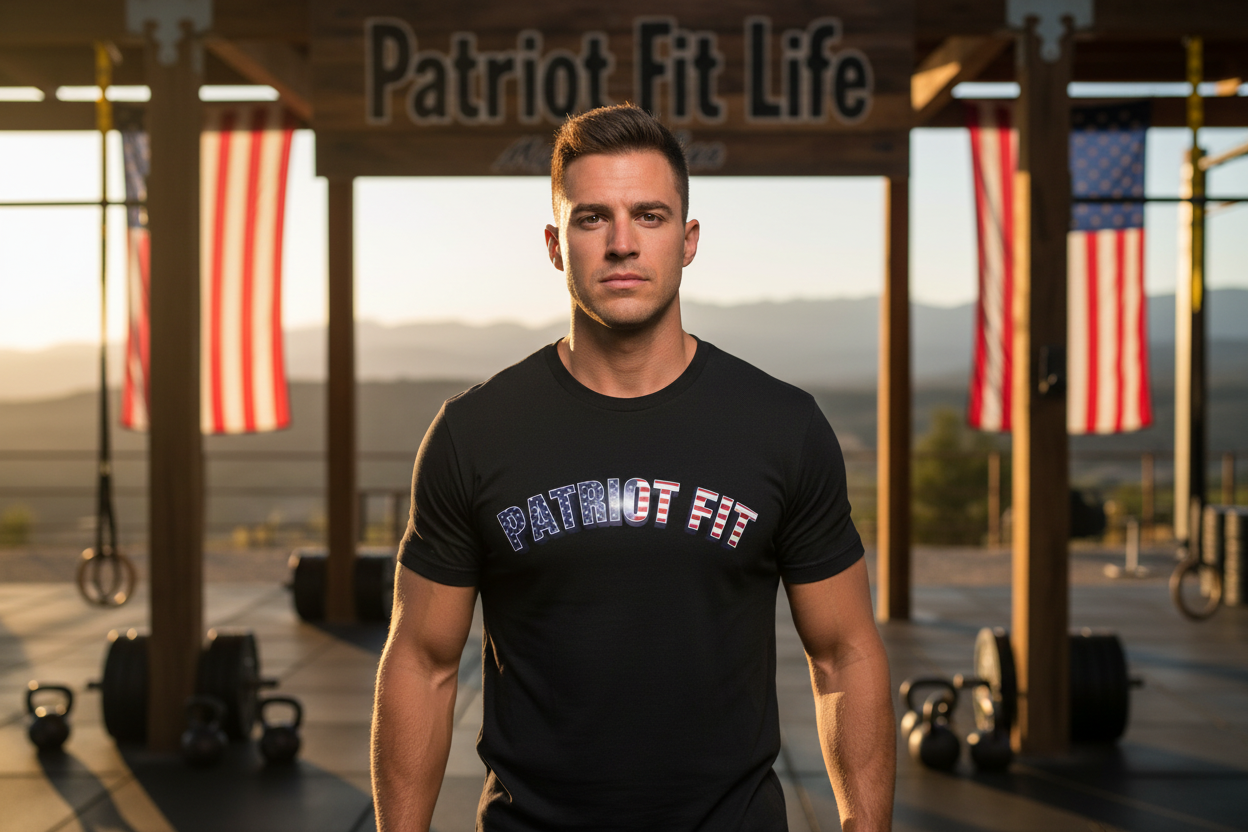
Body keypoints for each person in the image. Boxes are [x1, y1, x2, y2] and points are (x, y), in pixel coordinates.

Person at [372, 104, 895, 832]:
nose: (622, 243)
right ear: (556, 246)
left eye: (648, 216)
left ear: (687, 241)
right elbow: (422, 663)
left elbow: (845, 655)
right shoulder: (475, 433)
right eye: (593, 219)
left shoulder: (783, 426)